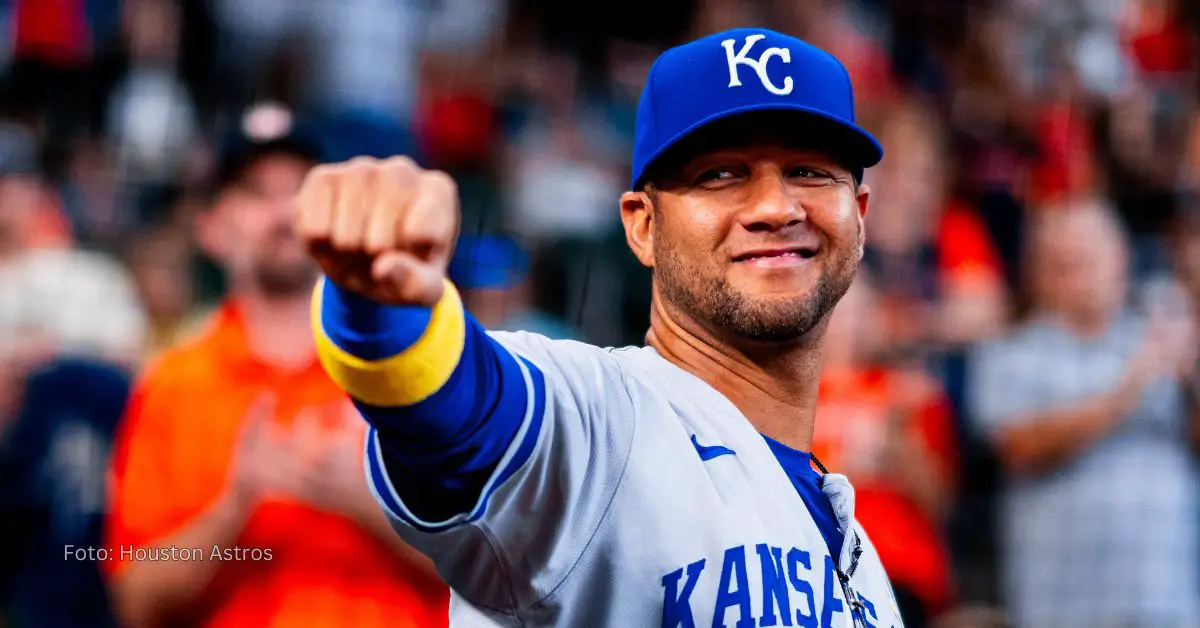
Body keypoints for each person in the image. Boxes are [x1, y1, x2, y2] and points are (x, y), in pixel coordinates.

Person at [301, 28, 903, 626]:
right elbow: (465, 418)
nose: (776, 207)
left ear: (860, 216)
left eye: (809, 171)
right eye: (720, 175)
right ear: (643, 226)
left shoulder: (863, 562)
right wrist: (382, 310)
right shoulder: (605, 423)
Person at [104, 103, 447, 628]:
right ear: (212, 229)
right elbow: (134, 602)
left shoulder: (411, 366)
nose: (284, 211)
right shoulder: (172, 384)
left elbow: (508, 571)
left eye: (301, 191)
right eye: (256, 194)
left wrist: (373, 502)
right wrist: (234, 506)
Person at [968, 197, 1200, 628]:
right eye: (1064, 263)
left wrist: (1188, 378)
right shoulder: (1011, 351)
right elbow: (1019, 446)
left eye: (1090, 258)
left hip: (1166, 600)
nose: (1081, 276)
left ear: (1123, 258)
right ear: (1037, 274)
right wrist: (1129, 391)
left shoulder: (1164, 335)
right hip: (1064, 605)